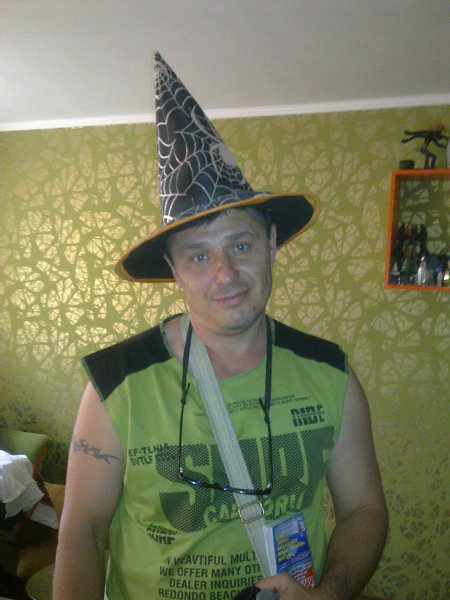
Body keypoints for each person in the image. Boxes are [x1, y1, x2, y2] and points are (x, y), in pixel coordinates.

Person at [53, 53, 388, 600]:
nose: (226, 274)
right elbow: (81, 533)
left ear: (271, 245)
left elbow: (364, 510)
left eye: (241, 244)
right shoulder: (117, 384)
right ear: (174, 270)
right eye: (199, 256)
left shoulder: (331, 373)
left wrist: (329, 595)